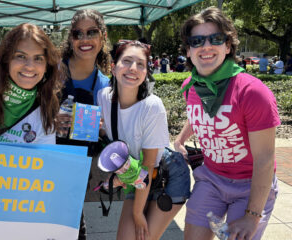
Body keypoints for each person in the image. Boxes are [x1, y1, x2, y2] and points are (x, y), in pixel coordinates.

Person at [176, 7, 280, 240]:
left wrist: (252, 215)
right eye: (197, 40)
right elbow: (199, 114)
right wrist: (181, 138)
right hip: (211, 179)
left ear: (228, 46)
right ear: (189, 50)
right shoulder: (191, 86)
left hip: (250, 185)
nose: (206, 46)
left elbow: (265, 159)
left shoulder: (252, 92)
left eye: (216, 39)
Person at [98, 40, 190, 240]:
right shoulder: (104, 97)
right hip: (138, 175)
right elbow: (115, 140)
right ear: (113, 68)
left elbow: (148, 165)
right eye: (127, 61)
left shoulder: (152, 106)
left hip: (167, 175)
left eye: (140, 64)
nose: (133, 68)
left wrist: (137, 214)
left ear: (146, 72)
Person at [57, 9, 111, 239]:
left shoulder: (105, 84)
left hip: (77, 167)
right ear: (71, 39)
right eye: (78, 34)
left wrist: (103, 128)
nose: (85, 39)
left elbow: (114, 131)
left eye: (92, 32)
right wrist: (50, 118)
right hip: (41, 159)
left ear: (103, 36)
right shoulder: (53, 71)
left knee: (72, 224)